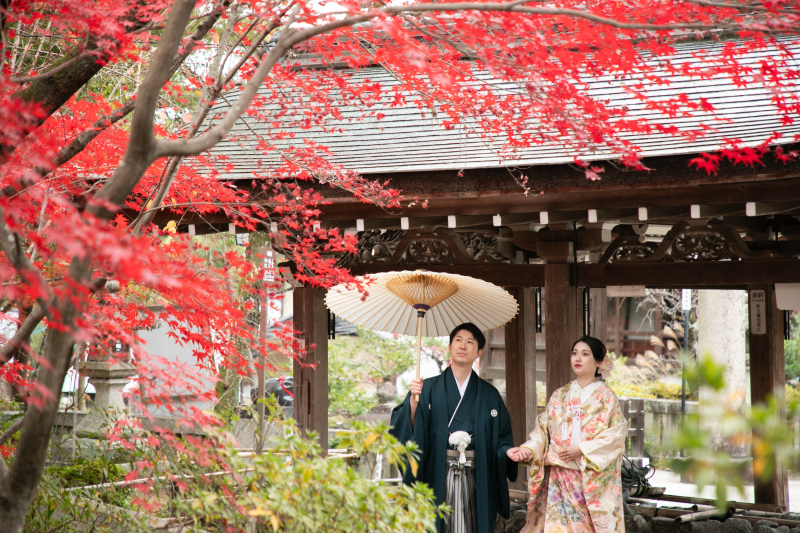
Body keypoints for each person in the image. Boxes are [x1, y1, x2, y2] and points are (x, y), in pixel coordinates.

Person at [390, 323, 518, 533]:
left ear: (479, 352)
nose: (463, 346)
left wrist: (507, 452)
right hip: (437, 474)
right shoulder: (426, 388)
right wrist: (413, 401)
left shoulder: (490, 395)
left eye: (470, 342)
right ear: (450, 347)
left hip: (477, 476)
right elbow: (406, 428)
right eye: (458, 340)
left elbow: (502, 438)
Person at [507, 336, 628, 533]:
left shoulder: (607, 398)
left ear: (599, 362)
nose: (577, 358)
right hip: (557, 476)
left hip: (587, 479)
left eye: (585, 354)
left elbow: (615, 437)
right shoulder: (559, 395)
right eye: (574, 353)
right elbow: (542, 430)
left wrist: (582, 449)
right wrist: (529, 449)